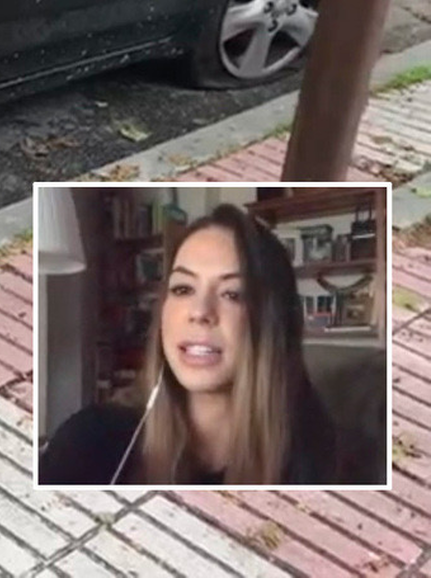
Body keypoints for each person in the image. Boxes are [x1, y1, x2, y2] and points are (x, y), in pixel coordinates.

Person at [39, 203, 345, 485]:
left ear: (273, 321)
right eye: (183, 289)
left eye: (233, 294)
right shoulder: (89, 441)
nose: (199, 312)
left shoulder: (313, 451)